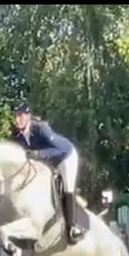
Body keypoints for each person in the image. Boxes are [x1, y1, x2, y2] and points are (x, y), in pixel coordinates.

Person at [11, 103, 84, 243]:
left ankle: (72, 228)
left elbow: (60, 150)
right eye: (16, 116)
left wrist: (38, 154)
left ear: (28, 116)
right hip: (48, 161)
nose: (17, 119)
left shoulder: (41, 129)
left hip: (66, 156)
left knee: (67, 188)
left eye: (20, 115)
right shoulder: (19, 137)